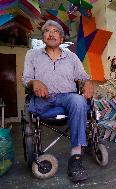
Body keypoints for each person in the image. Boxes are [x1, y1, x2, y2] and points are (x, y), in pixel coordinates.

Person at [22, 20, 93, 182]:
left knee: (78, 100)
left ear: (61, 38)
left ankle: (75, 159)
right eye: (47, 31)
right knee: (72, 100)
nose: (51, 33)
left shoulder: (72, 56)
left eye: (56, 31)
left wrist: (88, 82)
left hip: (67, 99)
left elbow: (83, 77)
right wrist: (34, 82)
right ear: (43, 37)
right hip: (42, 100)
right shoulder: (32, 55)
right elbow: (26, 79)